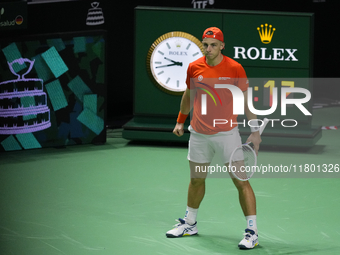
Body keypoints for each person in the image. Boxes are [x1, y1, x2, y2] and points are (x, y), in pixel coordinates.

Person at [166, 27, 262, 249]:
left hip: (227, 135)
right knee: (197, 179)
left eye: (213, 45)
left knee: (241, 181)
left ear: (222, 46)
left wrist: (255, 131)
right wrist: (180, 120)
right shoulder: (194, 67)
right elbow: (188, 95)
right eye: (205, 44)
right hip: (199, 134)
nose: (208, 49)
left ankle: (252, 232)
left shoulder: (235, 68)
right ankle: (190, 223)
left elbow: (246, 101)